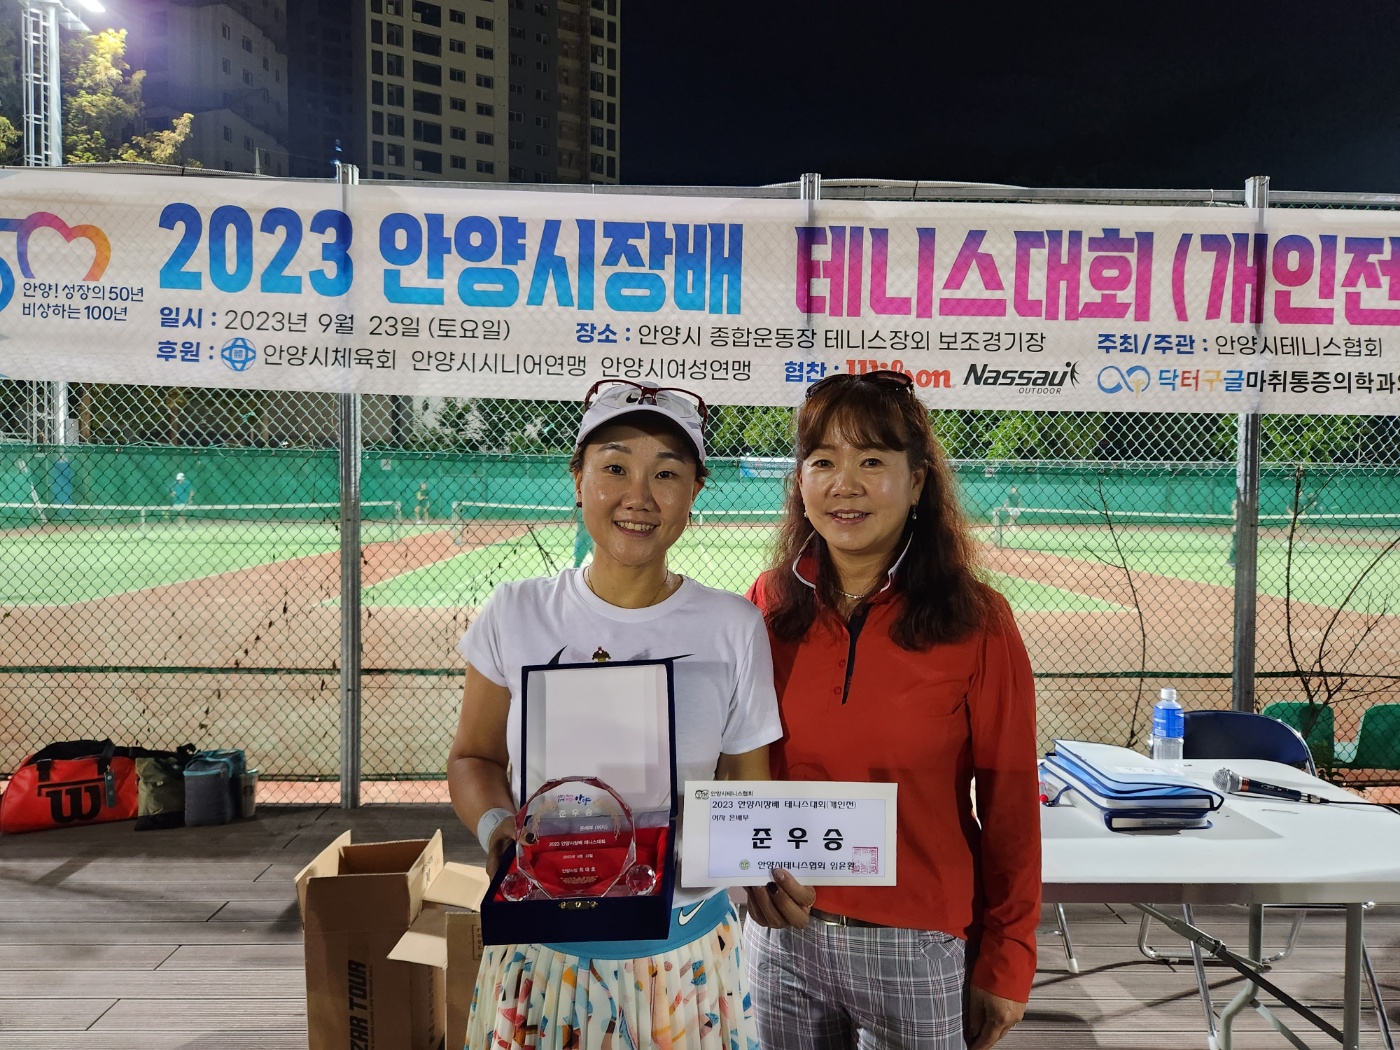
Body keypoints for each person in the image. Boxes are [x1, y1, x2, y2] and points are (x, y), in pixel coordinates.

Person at [448, 379, 783, 1050]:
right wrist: (498, 830)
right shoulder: (515, 611)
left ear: (695, 491)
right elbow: (474, 758)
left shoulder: (734, 627)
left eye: (667, 473)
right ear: (578, 480)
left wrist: (768, 867)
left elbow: (749, 796)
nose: (639, 495)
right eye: (615, 467)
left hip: (687, 956)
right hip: (541, 955)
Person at [743, 369, 1041, 1050]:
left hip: (918, 944)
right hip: (783, 933)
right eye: (823, 461)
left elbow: (1011, 805)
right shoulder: (766, 604)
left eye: (872, 461)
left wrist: (1008, 956)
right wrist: (744, 877)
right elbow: (740, 770)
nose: (844, 484)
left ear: (917, 482)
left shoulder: (978, 620)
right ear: (800, 481)